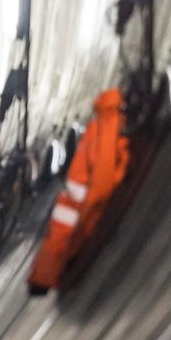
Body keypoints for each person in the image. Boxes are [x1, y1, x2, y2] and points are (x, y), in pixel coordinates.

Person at [28, 86, 131, 295]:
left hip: (72, 198)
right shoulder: (109, 129)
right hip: (83, 201)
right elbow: (101, 183)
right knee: (65, 238)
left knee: (57, 237)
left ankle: (41, 279)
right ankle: (46, 278)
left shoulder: (96, 127)